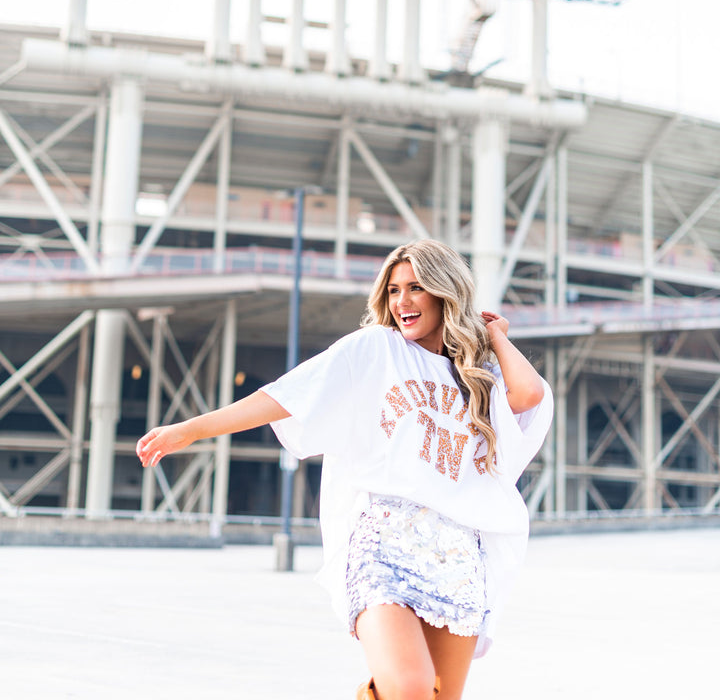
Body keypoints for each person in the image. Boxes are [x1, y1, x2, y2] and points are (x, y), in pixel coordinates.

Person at [137, 239, 553, 700]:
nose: (402, 302)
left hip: (459, 555)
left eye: (416, 288)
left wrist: (495, 335)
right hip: (386, 543)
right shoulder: (375, 349)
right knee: (412, 689)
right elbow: (283, 396)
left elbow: (528, 396)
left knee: (439, 696)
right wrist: (191, 430)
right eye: (394, 290)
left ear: (445, 292)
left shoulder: (476, 376)